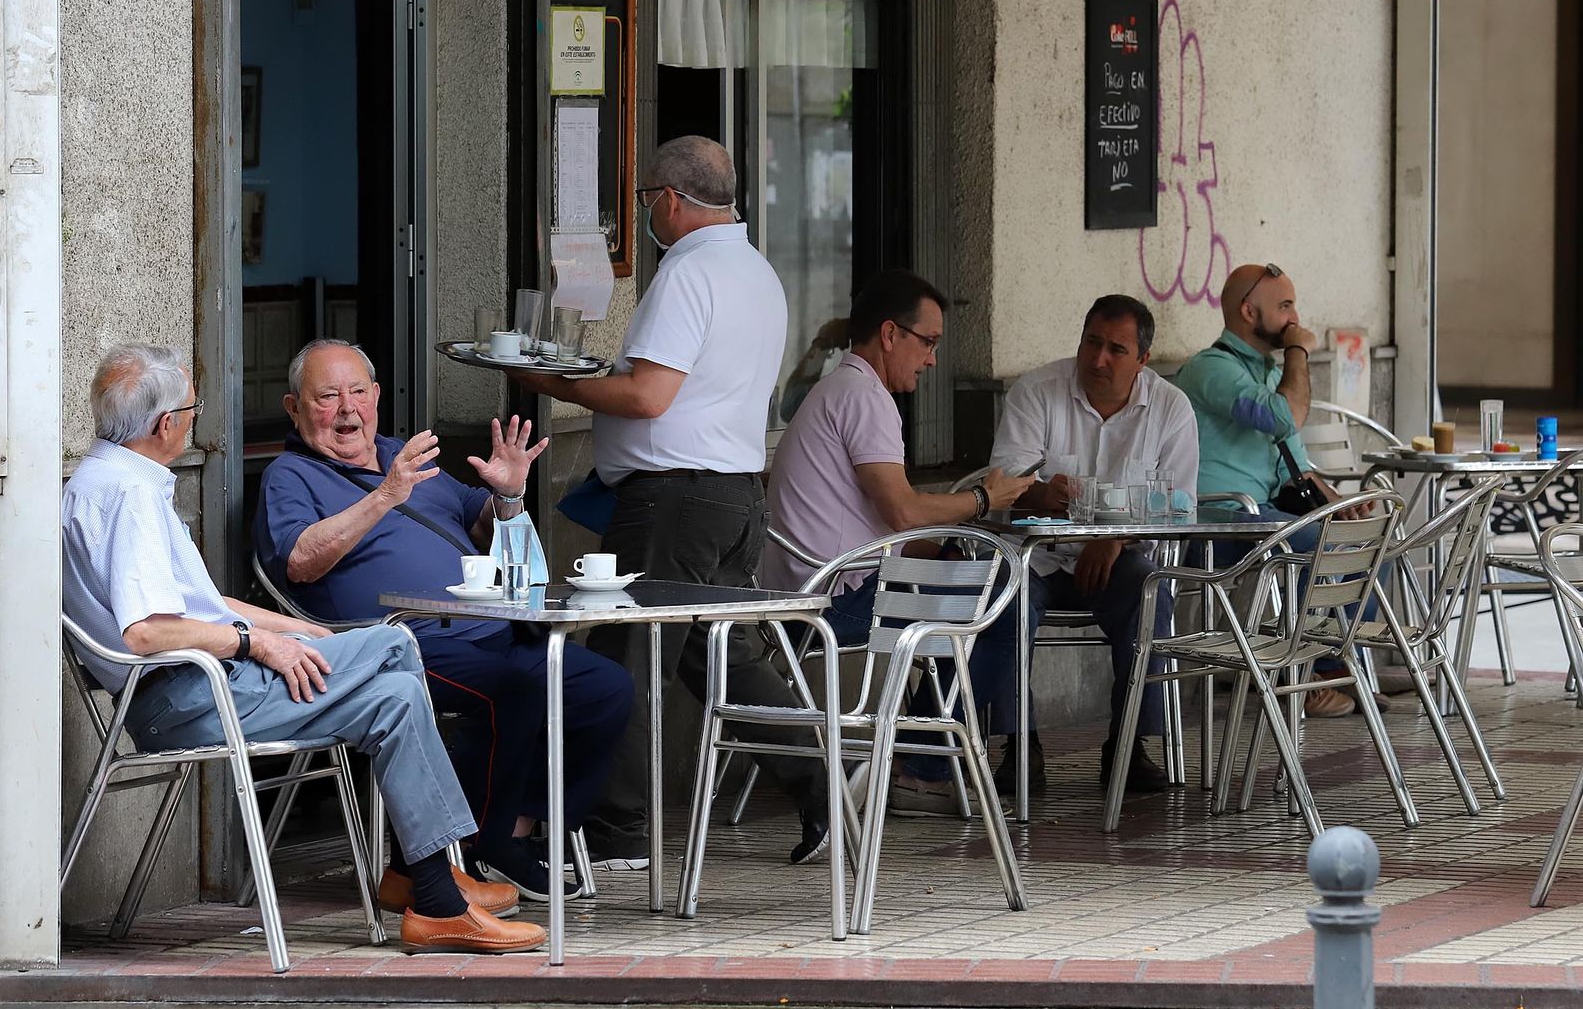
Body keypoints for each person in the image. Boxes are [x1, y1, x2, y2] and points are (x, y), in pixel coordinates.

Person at [63, 344, 542, 954]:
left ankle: (427, 885)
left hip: (189, 685)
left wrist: (305, 634)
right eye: (191, 408)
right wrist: (257, 643)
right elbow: (148, 633)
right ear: (165, 426)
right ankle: (435, 890)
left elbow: (205, 604)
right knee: (396, 661)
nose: (193, 418)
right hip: (189, 695)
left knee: (393, 679)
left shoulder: (105, 478)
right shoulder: (129, 496)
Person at [505, 135, 832, 867]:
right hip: (735, 495)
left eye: (647, 199)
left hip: (674, 500)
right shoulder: (756, 271)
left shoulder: (689, 273)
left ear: (672, 201)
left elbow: (648, 395)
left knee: (625, 661)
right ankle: (824, 780)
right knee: (720, 657)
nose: (646, 212)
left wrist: (548, 381)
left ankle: (618, 831)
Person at [253, 339, 633, 898]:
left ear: (377, 396)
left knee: (606, 687)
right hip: (393, 645)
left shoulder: (403, 452)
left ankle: (505, 831)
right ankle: (489, 842)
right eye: (327, 397)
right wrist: (385, 494)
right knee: (514, 691)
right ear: (294, 408)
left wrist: (507, 495)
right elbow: (299, 562)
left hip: (492, 628)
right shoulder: (291, 476)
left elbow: (479, 524)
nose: (346, 409)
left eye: (358, 392)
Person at [761, 269, 1035, 815]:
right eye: (928, 342)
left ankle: (922, 750)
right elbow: (905, 511)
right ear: (890, 334)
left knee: (971, 577)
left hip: (804, 588)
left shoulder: (838, 387)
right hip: (828, 602)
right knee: (1003, 598)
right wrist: (985, 498)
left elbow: (882, 522)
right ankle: (923, 763)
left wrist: (948, 547)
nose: (932, 359)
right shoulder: (865, 396)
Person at [986, 295, 1200, 795]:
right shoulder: (1037, 391)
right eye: (1092, 343)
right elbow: (1001, 486)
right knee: (999, 595)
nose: (1099, 359)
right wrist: (1039, 492)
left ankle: (1129, 745)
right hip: (1035, 559)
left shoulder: (1170, 407)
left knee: (1150, 591)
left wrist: (1116, 536)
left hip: (1118, 560)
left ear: (1143, 360)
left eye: (1116, 350)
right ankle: (1019, 747)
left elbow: (1181, 505)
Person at [1171, 262, 1390, 718]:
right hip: (1217, 520)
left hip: (1265, 513)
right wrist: (1299, 353)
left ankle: (1333, 664)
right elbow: (1283, 417)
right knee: (1311, 544)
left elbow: (1295, 457)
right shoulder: (1210, 368)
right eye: (1285, 306)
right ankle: (1306, 674)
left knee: (1366, 540)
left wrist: (1336, 503)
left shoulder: (1269, 372)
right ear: (1249, 313)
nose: (1296, 318)